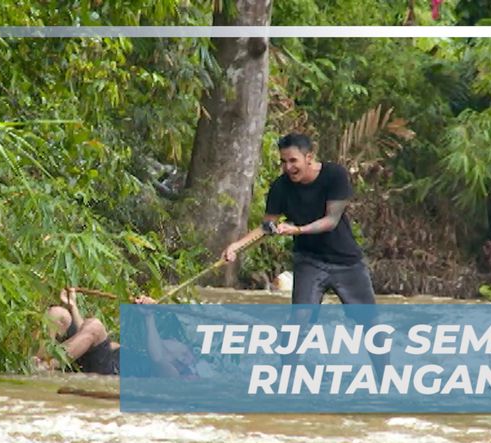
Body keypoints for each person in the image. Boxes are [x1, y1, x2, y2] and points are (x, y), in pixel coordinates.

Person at [221, 133, 376, 306]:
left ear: (308, 157)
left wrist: (298, 230)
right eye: (283, 162)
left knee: (369, 325)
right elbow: (267, 228)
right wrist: (236, 247)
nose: (288, 167)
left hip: (346, 260)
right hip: (309, 260)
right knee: (299, 325)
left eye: (293, 161)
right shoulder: (280, 187)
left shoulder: (334, 175)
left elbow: (331, 221)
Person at [41, 289, 196, 377]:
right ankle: (36, 360)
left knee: (95, 326)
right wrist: (73, 306)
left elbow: (157, 357)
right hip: (91, 361)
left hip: (109, 372)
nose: (171, 340)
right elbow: (85, 339)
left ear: (185, 357)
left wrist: (149, 316)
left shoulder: (170, 372)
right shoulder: (136, 351)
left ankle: (46, 367)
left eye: (180, 345)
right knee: (58, 314)